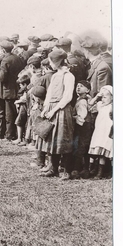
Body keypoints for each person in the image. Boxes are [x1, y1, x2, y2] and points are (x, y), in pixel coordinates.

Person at [36, 50, 75, 178]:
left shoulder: (68, 76)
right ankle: (53, 168)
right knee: (51, 139)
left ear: (57, 62)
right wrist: (46, 108)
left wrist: (54, 110)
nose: (50, 64)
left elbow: (67, 96)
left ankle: (66, 170)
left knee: (63, 139)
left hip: (62, 109)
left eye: (52, 61)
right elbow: (49, 94)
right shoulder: (54, 75)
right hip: (52, 108)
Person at [69, 80, 94, 179]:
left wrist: (72, 117)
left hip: (83, 126)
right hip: (85, 125)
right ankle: (84, 169)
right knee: (83, 146)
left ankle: (78, 169)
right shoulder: (82, 99)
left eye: (81, 86)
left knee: (80, 146)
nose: (78, 87)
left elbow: (82, 116)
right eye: (77, 86)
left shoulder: (82, 101)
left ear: (87, 90)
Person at [87, 85, 113, 179]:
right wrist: (97, 97)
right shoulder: (100, 105)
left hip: (107, 132)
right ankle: (91, 169)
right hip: (99, 131)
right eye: (102, 97)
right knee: (96, 149)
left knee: (104, 150)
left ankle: (100, 172)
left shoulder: (112, 107)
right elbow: (90, 105)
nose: (103, 99)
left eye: (105, 97)